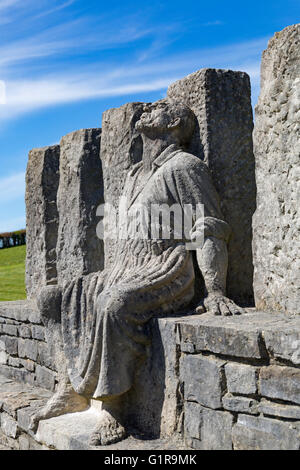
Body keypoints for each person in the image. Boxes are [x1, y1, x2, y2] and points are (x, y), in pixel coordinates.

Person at [31, 99, 242, 446]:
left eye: (159, 108)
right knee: (50, 298)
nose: (148, 110)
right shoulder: (133, 174)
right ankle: (69, 386)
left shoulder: (184, 167)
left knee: (113, 305)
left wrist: (216, 289)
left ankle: (113, 407)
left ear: (174, 122)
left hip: (166, 269)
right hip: (124, 269)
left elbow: (209, 227)